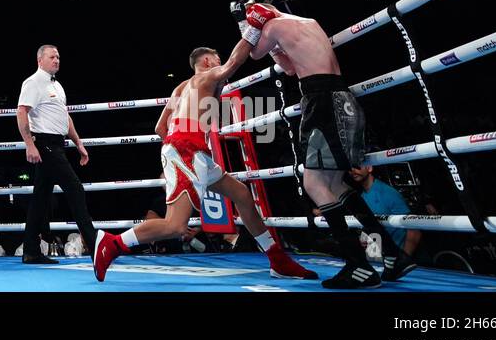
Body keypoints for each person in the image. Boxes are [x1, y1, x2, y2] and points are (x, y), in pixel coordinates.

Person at [95, 41, 317, 281]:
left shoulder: (180, 88)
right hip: (189, 150)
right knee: (175, 226)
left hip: (190, 150)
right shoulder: (208, 75)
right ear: (207, 62)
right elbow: (235, 62)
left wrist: (176, 154)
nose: (220, 62)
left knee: (241, 194)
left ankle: (277, 259)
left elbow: (161, 127)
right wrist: (251, 33)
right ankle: (113, 243)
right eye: (216, 58)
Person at [234, 0, 416, 288]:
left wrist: (245, 24)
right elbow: (290, 68)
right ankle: (393, 256)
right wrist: (270, 40)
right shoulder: (308, 22)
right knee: (337, 185)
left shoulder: (273, 26)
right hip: (342, 100)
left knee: (314, 185)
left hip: (322, 104)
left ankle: (359, 266)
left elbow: (253, 53)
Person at [16, 45, 104, 265]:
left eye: (58, 57)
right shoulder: (33, 82)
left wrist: (78, 143)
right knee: (75, 188)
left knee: (40, 199)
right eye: (52, 56)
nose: (56, 60)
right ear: (40, 60)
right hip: (45, 144)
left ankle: (31, 251)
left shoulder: (57, 86)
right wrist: (30, 145)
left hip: (57, 144)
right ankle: (95, 248)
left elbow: (64, 117)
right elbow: (21, 111)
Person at [350, 165, 421, 263]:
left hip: (393, 258)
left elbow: (414, 229)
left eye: (356, 166)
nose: (352, 170)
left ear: (369, 168)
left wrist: (403, 260)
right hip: (376, 259)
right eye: (350, 168)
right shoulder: (362, 196)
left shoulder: (388, 192)